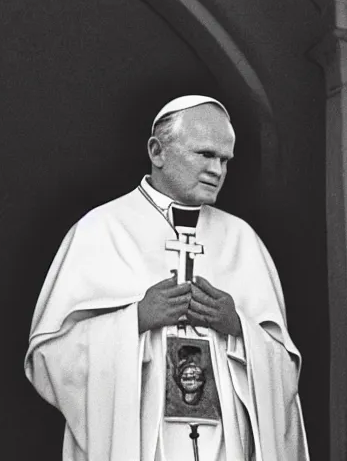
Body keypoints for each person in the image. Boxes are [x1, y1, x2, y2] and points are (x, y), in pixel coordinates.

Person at [24, 95, 309, 460]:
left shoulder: (243, 241)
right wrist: (136, 320)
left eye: (225, 160)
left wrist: (239, 329)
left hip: (227, 447)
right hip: (141, 444)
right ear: (157, 152)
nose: (217, 170)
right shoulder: (101, 229)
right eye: (205, 154)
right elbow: (50, 358)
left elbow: (285, 373)